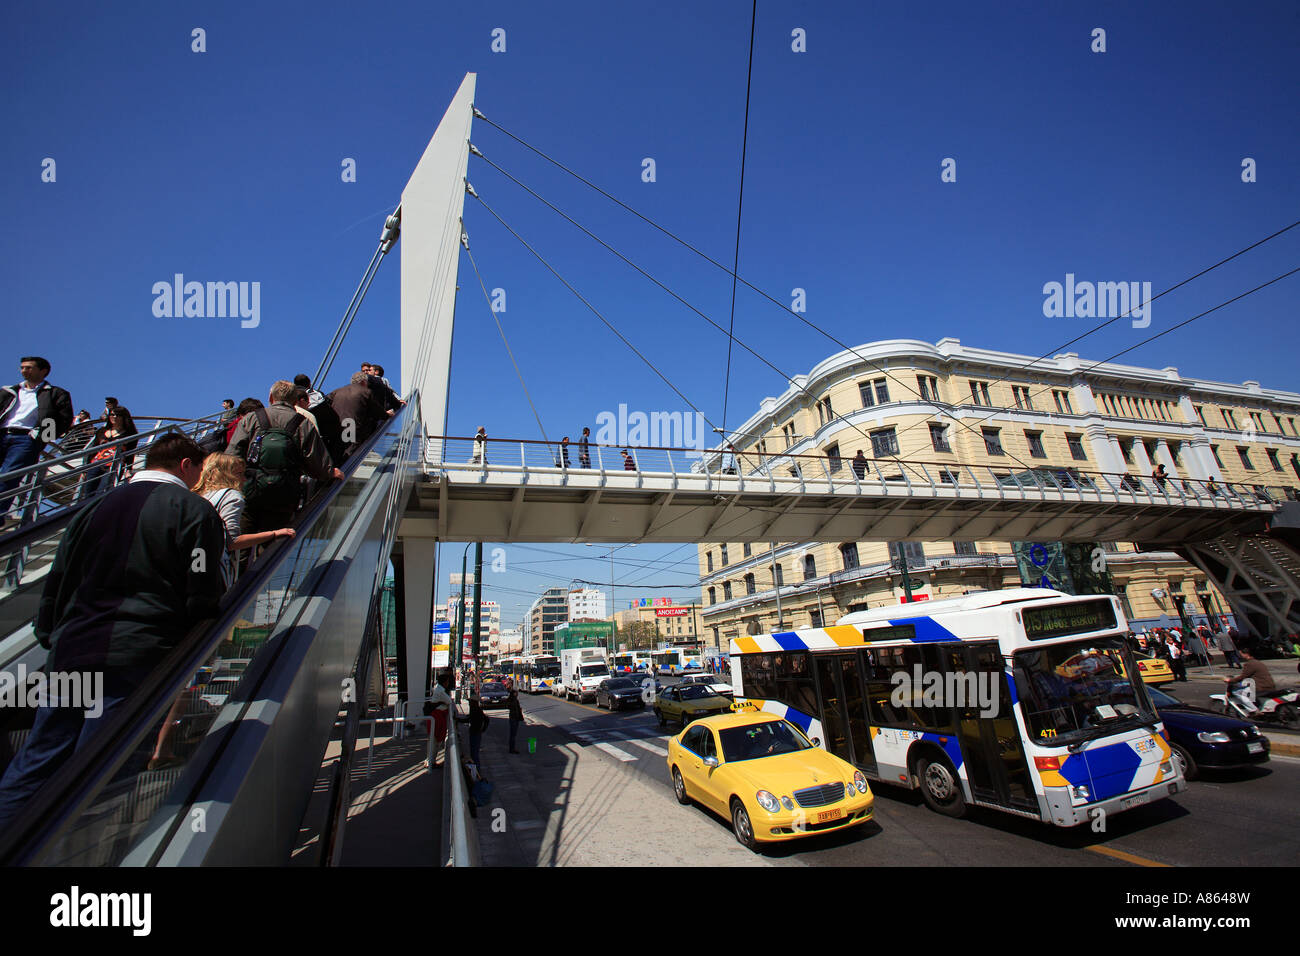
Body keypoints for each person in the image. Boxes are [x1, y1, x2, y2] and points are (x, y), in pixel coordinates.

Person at [0, 432, 227, 828]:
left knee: (38, 758)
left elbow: (60, 576)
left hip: (73, 648)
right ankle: (76, 849)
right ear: (186, 465)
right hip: (139, 652)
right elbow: (201, 582)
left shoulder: (93, 508)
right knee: (105, 769)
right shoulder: (193, 510)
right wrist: (197, 635)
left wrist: (51, 634)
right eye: (198, 470)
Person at [225, 380, 342, 533]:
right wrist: (330, 472)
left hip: (250, 489)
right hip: (284, 493)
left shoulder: (252, 418)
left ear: (270, 397)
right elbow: (315, 460)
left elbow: (233, 454)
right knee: (274, 538)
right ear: (295, 400)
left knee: (242, 536)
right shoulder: (303, 423)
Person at [0, 356, 74, 517]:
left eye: (29, 367)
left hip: (25, 439)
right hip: (3, 433)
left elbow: (64, 419)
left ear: (43, 371)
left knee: (8, 477)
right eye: (22, 367)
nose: (23, 370)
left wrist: (43, 438)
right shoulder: (9, 391)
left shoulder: (55, 393)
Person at [79, 405, 139, 500]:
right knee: (88, 493)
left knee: (102, 492)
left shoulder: (130, 434)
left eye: (117, 415)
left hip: (113, 465)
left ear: (124, 417)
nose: (114, 417)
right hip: (95, 463)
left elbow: (130, 454)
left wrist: (128, 469)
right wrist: (85, 468)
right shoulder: (102, 431)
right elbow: (93, 449)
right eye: (112, 414)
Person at [457, 696, 490, 766]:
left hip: (475, 732)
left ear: (473, 702)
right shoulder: (476, 709)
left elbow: (468, 719)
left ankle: (476, 768)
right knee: (474, 752)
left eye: (470, 702)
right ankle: (476, 768)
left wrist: (458, 720)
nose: (469, 703)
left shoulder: (475, 710)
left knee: (474, 753)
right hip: (475, 732)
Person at [506, 686, 525, 753]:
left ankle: (512, 748)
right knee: (513, 734)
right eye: (516, 692)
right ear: (514, 693)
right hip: (513, 718)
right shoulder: (512, 700)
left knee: (513, 734)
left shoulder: (514, 700)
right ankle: (512, 749)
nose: (517, 694)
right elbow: (510, 707)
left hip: (515, 718)